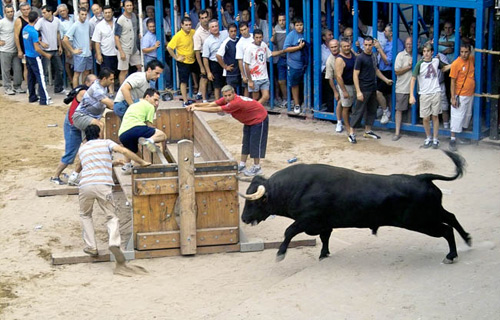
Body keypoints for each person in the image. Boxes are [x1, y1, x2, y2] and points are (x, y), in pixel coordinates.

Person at [76, 124, 150, 277]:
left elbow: (83, 165)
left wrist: (73, 174)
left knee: (85, 215)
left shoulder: (82, 148)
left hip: (85, 186)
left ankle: (91, 246)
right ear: (99, 134)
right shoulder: (106, 143)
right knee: (111, 216)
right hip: (103, 185)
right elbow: (123, 150)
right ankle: (114, 243)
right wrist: (141, 162)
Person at [187, 85, 268, 176]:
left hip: (259, 119)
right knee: (246, 143)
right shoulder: (226, 100)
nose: (228, 98)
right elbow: (211, 104)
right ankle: (242, 164)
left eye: (229, 95)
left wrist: (198, 109)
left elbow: (217, 109)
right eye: (225, 96)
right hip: (249, 121)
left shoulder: (236, 102)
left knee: (255, 143)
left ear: (234, 94)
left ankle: (257, 167)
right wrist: (195, 104)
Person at [51, 74, 96, 185]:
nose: (95, 86)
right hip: (73, 125)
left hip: (81, 123)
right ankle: (55, 176)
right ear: (87, 83)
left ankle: (76, 175)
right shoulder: (84, 92)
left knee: (89, 149)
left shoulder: (90, 92)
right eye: (93, 83)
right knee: (70, 154)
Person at [350, 36, 393, 143]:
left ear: (373, 45)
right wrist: (358, 91)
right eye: (366, 45)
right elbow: (355, 75)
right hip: (363, 88)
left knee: (371, 110)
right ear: (363, 45)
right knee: (358, 111)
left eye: (370, 45)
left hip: (372, 87)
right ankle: (351, 133)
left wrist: (386, 80)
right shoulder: (360, 58)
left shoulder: (373, 56)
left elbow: (376, 70)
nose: (368, 47)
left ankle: (368, 131)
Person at [409, 44, 450, 149]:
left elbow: (444, 68)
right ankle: (428, 137)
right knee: (425, 117)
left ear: (432, 52)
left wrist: (455, 63)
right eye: (424, 51)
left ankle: (435, 139)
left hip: (435, 91)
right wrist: (411, 95)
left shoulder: (436, 61)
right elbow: (413, 79)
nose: (426, 53)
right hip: (424, 93)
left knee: (435, 116)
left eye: (428, 51)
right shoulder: (420, 64)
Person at [118, 88, 167, 174]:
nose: (156, 103)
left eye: (158, 101)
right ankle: (149, 141)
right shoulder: (149, 106)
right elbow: (149, 125)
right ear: (147, 97)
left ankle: (127, 166)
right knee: (162, 135)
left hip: (122, 134)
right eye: (155, 100)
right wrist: (155, 140)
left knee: (139, 160)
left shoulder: (133, 105)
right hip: (136, 128)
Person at [72, 68, 115, 135]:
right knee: (100, 125)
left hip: (90, 117)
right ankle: (100, 145)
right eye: (111, 79)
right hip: (81, 116)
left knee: (88, 140)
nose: (113, 81)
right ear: (104, 79)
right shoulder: (97, 89)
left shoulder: (103, 86)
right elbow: (111, 105)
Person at [244, 29, 281, 106]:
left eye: (260, 37)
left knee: (266, 96)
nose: (258, 39)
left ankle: (254, 108)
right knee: (255, 97)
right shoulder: (249, 48)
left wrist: (283, 51)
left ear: (262, 37)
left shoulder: (263, 44)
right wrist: (250, 80)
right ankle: (254, 110)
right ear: (253, 37)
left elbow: (270, 54)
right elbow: (246, 66)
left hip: (264, 76)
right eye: (257, 37)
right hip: (254, 78)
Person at [23, 11, 53, 105]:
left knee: (31, 77)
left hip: (28, 56)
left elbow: (32, 41)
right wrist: (46, 54)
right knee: (41, 77)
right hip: (35, 57)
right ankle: (44, 99)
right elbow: (36, 48)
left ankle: (32, 97)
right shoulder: (34, 32)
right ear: (36, 19)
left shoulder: (25, 29)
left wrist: (40, 43)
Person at [375, 25, 403, 124]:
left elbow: (387, 61)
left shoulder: (396, 43)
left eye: (386, 31)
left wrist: (379, 48)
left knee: (378, 92)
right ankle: (387, 112)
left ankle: (385, 112)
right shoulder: (389, 42)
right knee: (386, 95)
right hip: (382, 71)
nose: (383, 32)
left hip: (389, 72)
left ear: (391, 33)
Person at [449, 43, 475, 152]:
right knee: (456, 117)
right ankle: (453, 139)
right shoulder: (456, 64)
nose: (464, 54)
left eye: (466, 52)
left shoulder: (471, 59)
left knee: (467, 115)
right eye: (462, 52)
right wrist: (453, 97)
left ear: (469, 52)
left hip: (470, 93)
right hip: (460, 94)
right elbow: (452, 81)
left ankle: (462, 136)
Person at [35, 5, 65, 94]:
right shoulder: (40, 21)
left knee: (60, 69)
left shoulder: (56, 20)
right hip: (45, 50)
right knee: (43, 71)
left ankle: (58, 88)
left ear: (50, 12)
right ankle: (41, 90)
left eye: (44, 12)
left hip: (55, 49)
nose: (43, 14)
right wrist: (40, 42)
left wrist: (59, 46)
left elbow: (58, 33)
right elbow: (34, 32)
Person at [167, 17, 195, 107]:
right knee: (184, 82)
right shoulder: (178, 36)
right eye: (186, 25)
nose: (188, 27)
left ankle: (199, 96)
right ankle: (185, 101)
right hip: (183, 62)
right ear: (182, 25)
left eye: (190, 25)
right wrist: (176, 57)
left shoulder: (193, 32)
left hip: (193, 60)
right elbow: (169, 47)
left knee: (201, 76)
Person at [63, 7, 92, 88]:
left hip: (87, 53)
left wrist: (89, 45)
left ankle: (83, 89)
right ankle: (76, 92)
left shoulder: (87, 23)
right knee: (77, 74)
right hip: (80, 54)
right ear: (79, 14)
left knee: (86, 72)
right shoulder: (75, 25)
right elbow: (65, 39)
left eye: (85, 14)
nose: (84, 16)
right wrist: (73, 50)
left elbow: (88, 36)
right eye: (82, 14)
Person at [283, 18, 306, 114]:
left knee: (305, 84)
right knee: (295, 84)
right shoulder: (291, 35)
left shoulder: (307, 33)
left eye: (301, 24)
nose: (299, 27)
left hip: (305, 64)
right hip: (294, 65)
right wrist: (298, 47)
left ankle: (306, 103)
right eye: (297, 25)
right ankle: (297, 104)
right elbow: (285, 49)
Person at [115, 0, 141, 85]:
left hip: (134, 48)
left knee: (140, 67)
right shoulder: (120, 20)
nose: (129, 7)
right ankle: (122, 90)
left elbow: (135, 29)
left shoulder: (134, 16)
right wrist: (121, 52)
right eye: (127, 6)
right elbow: (116, 37)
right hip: (124, 48)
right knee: (124, 71)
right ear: (124, 7)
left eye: (130, 5)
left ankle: (137, 86)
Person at [335, 37, 356, 140]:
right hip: (346, 85)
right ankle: (348, 127)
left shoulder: (352, 53)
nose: (347, 48)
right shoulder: (339, 59)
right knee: (346, 107)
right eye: (344, 46)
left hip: (354, 84)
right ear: (340, 47)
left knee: (350, 106)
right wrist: (344, 91)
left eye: (348, 46)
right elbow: (338, 76)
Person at [0, 4, 24, 95]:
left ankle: (17, 86)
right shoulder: (2, 22)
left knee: (18, 69)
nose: (10, 13)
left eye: (12, 11)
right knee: (6, 70)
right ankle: (7, 87)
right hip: (5, 50)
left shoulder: (17, 20)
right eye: (8, 12)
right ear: (5, 13)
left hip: (16, 49)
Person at [393, 37, 414, 141]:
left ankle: (411, 131)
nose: (409, 46)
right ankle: (397, 132)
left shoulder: (418, 55)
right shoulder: (400, 55)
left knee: (412, 110)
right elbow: (397, 71)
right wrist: (409, 67)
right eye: (407, 44)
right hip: (402, 87)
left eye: (411, 44)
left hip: (414, 89)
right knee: (399, 110)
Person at [202, 19, 228, 100]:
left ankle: (227, 104)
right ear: (209, 29)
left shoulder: (226, 33)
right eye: (212, 27)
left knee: (227, 85)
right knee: (217, 86)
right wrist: (208, 72)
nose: (215, 28)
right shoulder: (208, 41)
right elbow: (205, 58)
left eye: (216, 26)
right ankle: (218, 104)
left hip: (226, 62)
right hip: (215, 64)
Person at [92, 5, 117, 89]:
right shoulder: (99, 26)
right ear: (103, 13)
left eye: (109, 12)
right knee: (107, 74)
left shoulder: (118, 22)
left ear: (112, 13)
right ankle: (110, 92)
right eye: (105, 13)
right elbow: (97, 42)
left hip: (118, 53)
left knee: (117, 72)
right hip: (106, 54)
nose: (107, 14)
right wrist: (98, 55)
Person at [216, 23, 240, 93]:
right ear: (228, 32)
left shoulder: (238, 40)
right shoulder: (226, 43)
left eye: (235, 31)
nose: (233, 33)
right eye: (231, 31)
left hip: (238, 71)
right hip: (231, 72)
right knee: (230, 92)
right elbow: (218, 56)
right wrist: (225, 67)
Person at [193, 10, 210, 102]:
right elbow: (197, 51)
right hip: (202, 56)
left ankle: (200, 93)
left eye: (205, 17)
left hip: (211, 55)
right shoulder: (198, 33)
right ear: (199, 19)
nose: (204, 20)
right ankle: (204, 99)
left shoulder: (212, 28)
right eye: (202, 18)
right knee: (204, 77)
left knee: (206, 77)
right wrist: (201, 66)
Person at [270, 12, 287, 106]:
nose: (282, 22)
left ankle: (293, 100)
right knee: (281, 81)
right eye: (280, 20)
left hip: (291, 57)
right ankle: (286, 99)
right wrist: (273, 36)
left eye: (283, 20)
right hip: (281, 57)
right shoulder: (276, 28)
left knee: (292, 81)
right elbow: (275, 43)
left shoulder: (291, 27)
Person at [14, 2, 31, 90]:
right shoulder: (19, 20)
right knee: (26, 67)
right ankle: (29, 86)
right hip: (24, 47)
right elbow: (16, 36)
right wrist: (19, 50)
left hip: (34, 47)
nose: (26, 11)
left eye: (28, 9)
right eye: (24, 10)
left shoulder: (34, 18)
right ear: (21, 11)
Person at [57, 3, 74, 89]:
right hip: (68, 43)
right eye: (60, 11)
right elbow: (61, 37)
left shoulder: (73, 17)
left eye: (64, 10)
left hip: (77, 42)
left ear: (67, 10)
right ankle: (71, 80)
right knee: (68, 63)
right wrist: (66, 50)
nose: (62, 12)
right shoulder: (59, 22)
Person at [324, 39, 341, 122]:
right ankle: (336, 120)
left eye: (335, 47)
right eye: (332, 47)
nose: (334, 49)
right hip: (338, 82)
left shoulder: (345, 53)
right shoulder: (329, 61)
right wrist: (335, 92)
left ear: (339, 47)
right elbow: (330, 78)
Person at [235, 21, 253, 98]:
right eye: (241, 30)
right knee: (246, 89)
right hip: (246, 70)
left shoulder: (254, 37)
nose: (243, 32)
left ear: (248, 28)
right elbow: (240, 60)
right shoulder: (240, 43)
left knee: (256, 89)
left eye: (245, 29)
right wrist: (243, 75)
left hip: (257, 68)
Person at [141, 19, 160, 86]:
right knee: (152, 76)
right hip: (150, 58)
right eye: (150, 27)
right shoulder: (147, 37)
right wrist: (154, 47)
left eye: (154, 26)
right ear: (147, 27)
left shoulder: (157, 34)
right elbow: (144, 50)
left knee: (165, 71)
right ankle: (152, 90)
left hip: (157, 57)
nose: (152, 28)